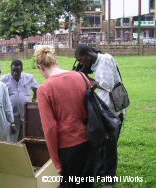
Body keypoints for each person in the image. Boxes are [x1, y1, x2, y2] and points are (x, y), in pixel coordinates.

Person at [35, 46, 99, 188]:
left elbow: (49, 128)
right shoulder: (81, 77)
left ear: (41, 67)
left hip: (69, 149)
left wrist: (56, 161)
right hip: (91, 142)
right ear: (55, 61)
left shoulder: (44, 89)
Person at [74, 44, 125, 186]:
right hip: (105, 110)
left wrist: (89, 81)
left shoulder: (106, 59)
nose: (81, 63)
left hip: (113, 112)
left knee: (109, 146)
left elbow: (107, 85)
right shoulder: (97, 63)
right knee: (102, 143)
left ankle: (109, 177)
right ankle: (101, 172)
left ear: (87, 55)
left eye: (81, 59)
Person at [1, 59, 39, 142]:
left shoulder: (29, 78)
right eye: (13, 71)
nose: (15, 73)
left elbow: (37, 88)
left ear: (22, 70)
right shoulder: (4, 79)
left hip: (26, 116)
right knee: (12, 141)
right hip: (12, 117)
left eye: (17, 71)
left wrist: (34, 99)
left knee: (25, 140)